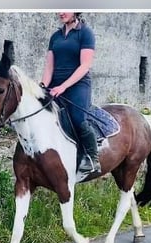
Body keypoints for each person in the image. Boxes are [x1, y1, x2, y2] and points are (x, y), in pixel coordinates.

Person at [40, 12, 101, 175]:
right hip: (55, 85)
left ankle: (92, 158)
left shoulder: (85, 33)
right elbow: (49, 67)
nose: (60, 12)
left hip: (78, 85)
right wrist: (43, 86)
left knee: (77, 119)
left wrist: (63, 87)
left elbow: (85, 66)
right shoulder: (55, 37)